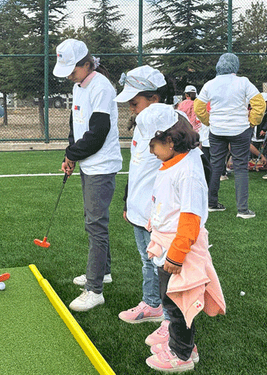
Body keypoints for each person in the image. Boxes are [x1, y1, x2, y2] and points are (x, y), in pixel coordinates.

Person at [145, 121, 226, 372]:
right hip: (168, 242)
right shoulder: (173, 162)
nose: (151, 152)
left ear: (170, 142)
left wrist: (178, 255)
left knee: (179, 302)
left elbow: (191, 216)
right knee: (170, 299)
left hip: (180, 248)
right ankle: (183, 346)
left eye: (153, 146)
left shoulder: (188, 171)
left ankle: (181, 355)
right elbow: (169, 202)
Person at [52, 39, 123, 312]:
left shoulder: (102, 87)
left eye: (72, 69)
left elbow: (98, 132)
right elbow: (76, 125)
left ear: (86, 63)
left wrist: (74, 155)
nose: (69, 74)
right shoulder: (78, 86)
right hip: (88, 164)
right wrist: (70, 154)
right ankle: (103, 272)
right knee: (93, 221)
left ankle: (95, 289)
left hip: (102, 165)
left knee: (96, 225)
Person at [114, 65, 177, 326]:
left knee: (161, 263)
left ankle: (169, 312)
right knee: (146, 260)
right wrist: (129, 202)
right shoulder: (142, 125)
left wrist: (157, 210)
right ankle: (152, 303)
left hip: (157, 213)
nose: (131, 107)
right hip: (139, 209)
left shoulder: (168, 132)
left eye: (135, 101)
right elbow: (137, 168)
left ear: (154, 99)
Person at [194, 53, 265, 219]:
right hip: (240, 129)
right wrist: (252, 122)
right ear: (236, 66)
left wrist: (209, 121)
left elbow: (199, 107)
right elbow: (259, 104)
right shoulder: (243, 82)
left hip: (217, 130)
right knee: (240, 167)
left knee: (215, 165)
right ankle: (243, 209)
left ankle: (211, 203)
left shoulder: (210, 84)